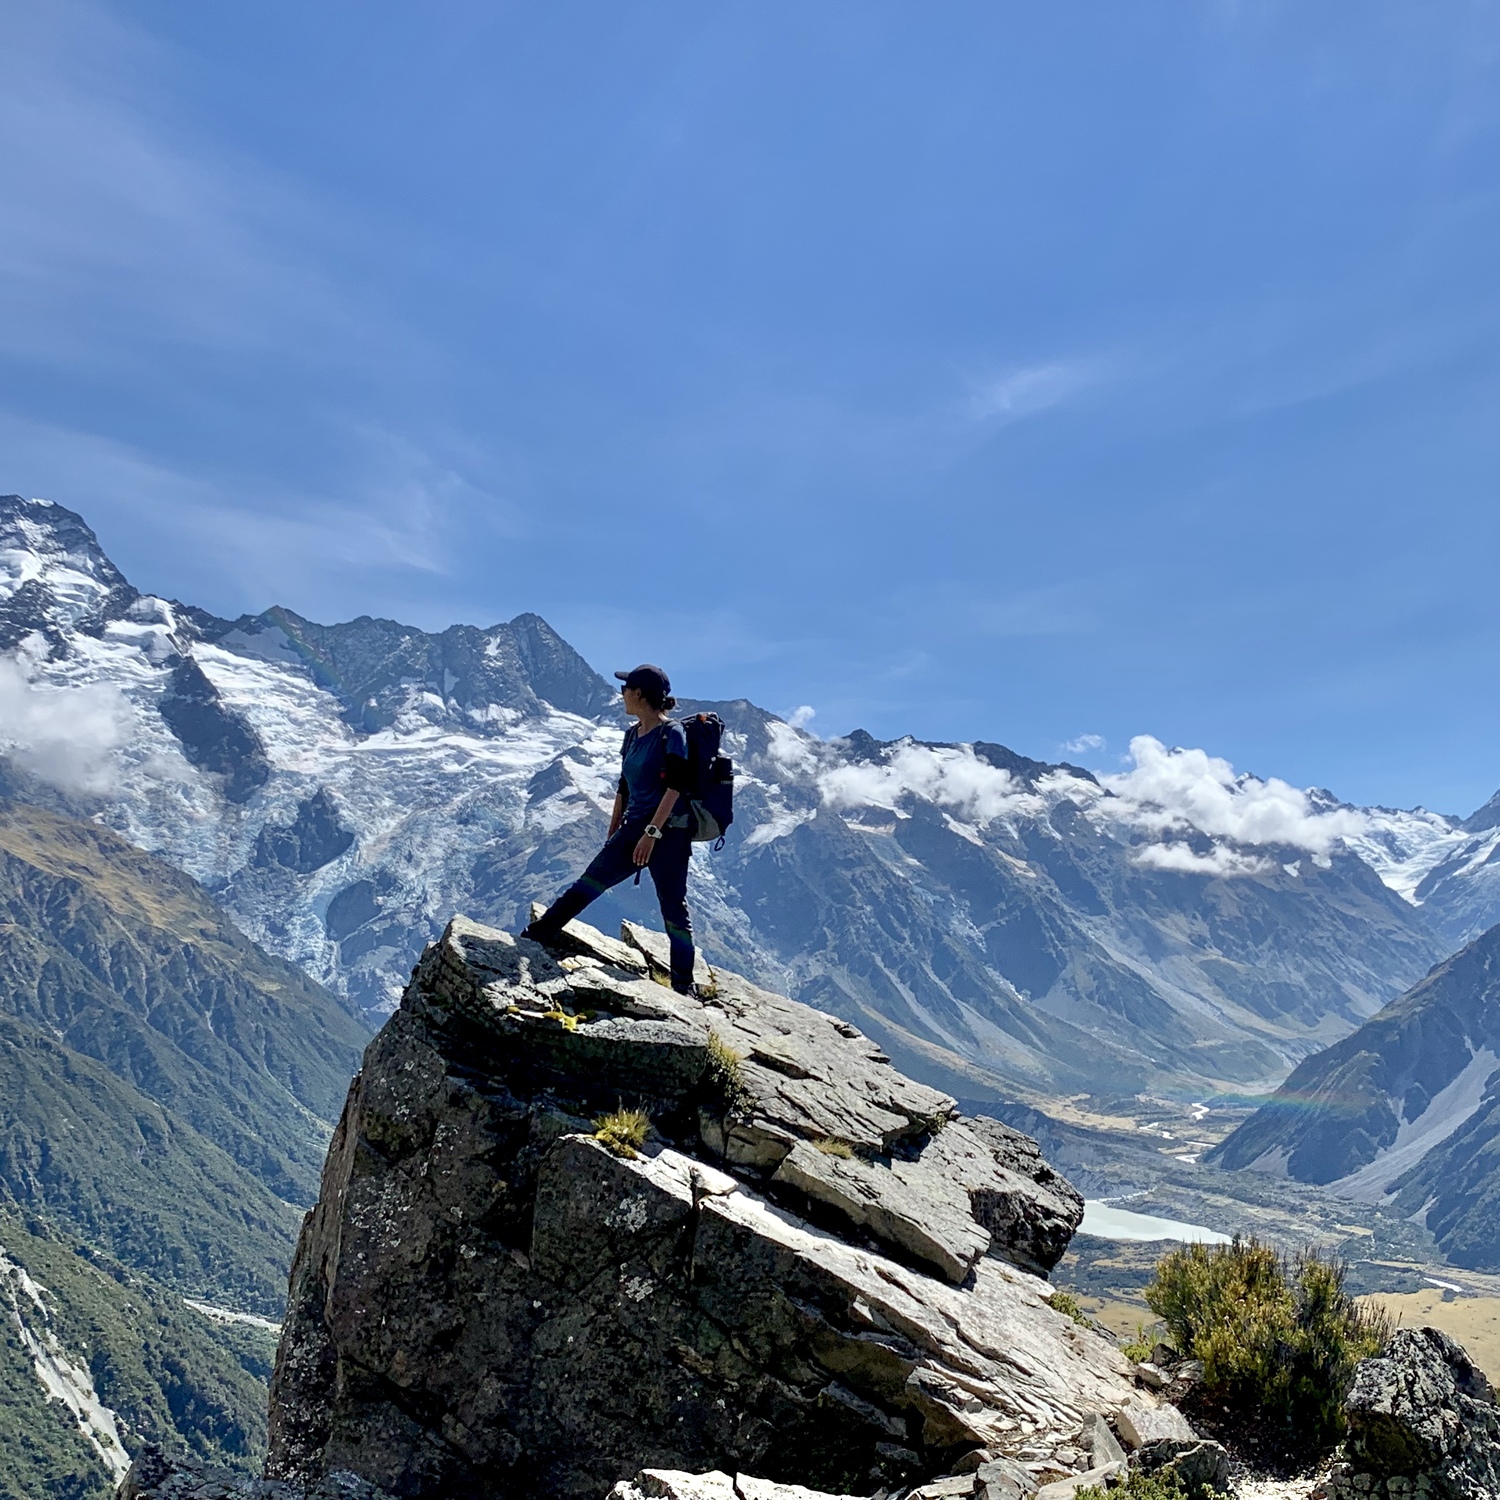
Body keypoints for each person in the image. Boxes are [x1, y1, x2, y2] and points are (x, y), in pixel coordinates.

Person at [523, 663, 697, 993]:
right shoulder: (632, 735)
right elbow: (624, 785)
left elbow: (676, 787)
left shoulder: (671, 733)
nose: (622, 695)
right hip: (632, 829)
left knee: (674, 907)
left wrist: (651, 833)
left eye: (625, 689)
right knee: (587, 884)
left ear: (639, 694)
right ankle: (536, 936)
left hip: (669, 833)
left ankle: (684, 986)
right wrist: (615, 825)